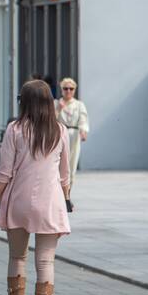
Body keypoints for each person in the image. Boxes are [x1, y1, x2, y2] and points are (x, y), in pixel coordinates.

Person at [0, 79, 71, 295]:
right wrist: (66, 198)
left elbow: (5, 171)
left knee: (17, 258)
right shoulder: (60, 131)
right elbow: (65, 174)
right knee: (45, 262)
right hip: (50, 201)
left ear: (25, 102)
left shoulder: (15, 129)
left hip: (19, 199)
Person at [55, 77, 88, 210]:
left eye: (71, 88)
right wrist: (58, 109)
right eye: (65, 88)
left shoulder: (79, 104)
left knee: (71, 167)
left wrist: (83, 130)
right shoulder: (56, 103)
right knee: (58, 167)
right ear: (61, 89)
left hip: (73, 136)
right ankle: (58, 196)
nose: (68, 91)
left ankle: (67, 196)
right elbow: (50, 119)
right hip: (59, 135)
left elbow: (83, 119)